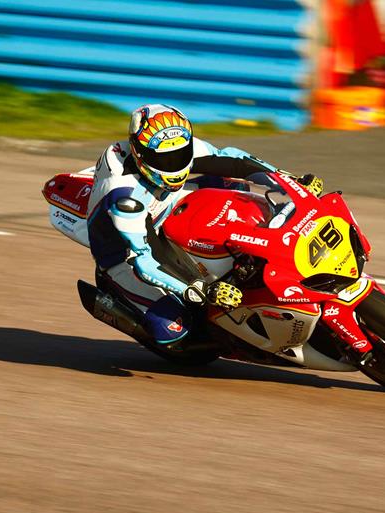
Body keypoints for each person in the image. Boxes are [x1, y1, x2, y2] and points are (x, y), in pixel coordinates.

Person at [84, 104, 323, 347]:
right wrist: (198, 289)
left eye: (179, 154)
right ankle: (128, 305)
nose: (174, 164)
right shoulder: (124, 196)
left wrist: (289, 182)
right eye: (163, 159)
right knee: (173, 328)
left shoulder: (179, 145)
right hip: (128, 249)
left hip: (171, 202)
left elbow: (234, 161)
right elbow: (145, 258)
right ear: (140, 154)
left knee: (232, 184)